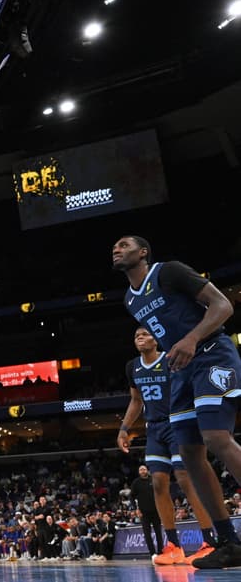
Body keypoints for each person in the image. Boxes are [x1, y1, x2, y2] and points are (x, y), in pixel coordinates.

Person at [112, 236, 241, 568]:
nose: (117, 249)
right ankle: (229, 541)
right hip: (180, 367)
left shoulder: (169, 272)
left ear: (143, 252)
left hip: (211, 352)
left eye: (124, 244)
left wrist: (192, 338)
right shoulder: (129, 299)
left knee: (216, 438)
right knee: (189, 454)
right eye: (115, 246)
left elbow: (223, 306)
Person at [118, 326, 216, 565]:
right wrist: (124, 428)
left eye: (145, 334)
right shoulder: (132, 367)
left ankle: (209, 541)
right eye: (136, 335)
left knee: (185, 479)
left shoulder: (171, 359)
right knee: (158, 483)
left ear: (156, 339)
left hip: (178, 423)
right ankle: (173, 546)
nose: (140, 337)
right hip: (154, 429)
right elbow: (136, 400)